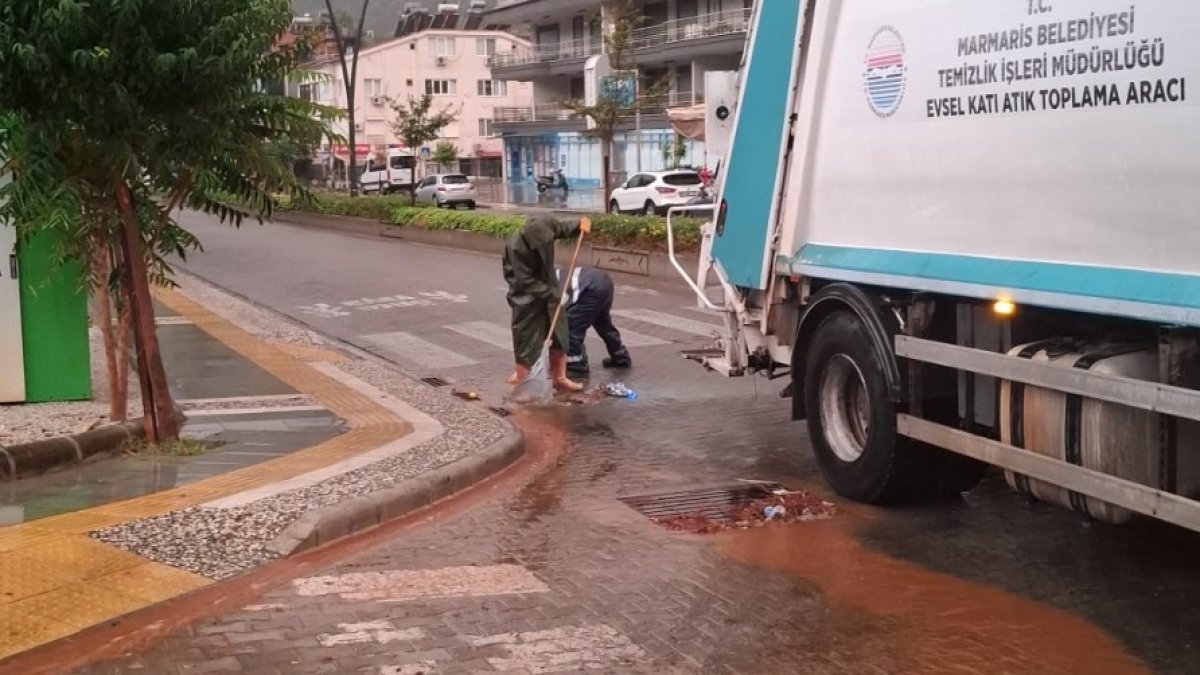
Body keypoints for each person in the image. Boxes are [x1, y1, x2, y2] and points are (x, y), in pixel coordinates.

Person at [502, 215, 590, 392]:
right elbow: (525, 281)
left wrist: (579, 223)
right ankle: (523, 381)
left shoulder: (546, 226)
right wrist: (552, 295)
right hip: (526, 297)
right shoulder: (515, 247)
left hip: (549, 291)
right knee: (526, 341)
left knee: (560, 335)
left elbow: (562, 227)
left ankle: (560, 378)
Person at [558, 266, 632, 377]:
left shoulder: (537, 282)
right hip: (602, 281)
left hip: (589, 288)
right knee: (603, 323)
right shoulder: (550, 272)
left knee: (570, 327)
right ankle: (620, 356)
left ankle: (576, 366)